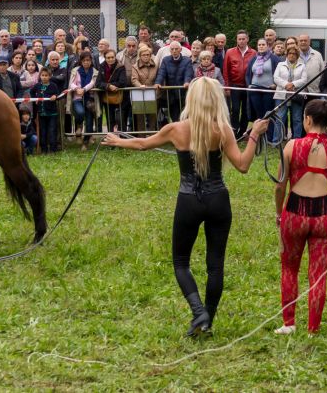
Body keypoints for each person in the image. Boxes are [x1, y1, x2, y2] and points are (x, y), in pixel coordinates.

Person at [103, 77, 269, 336]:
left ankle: (198, 313)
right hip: (218, 199)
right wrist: (255, 136)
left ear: (191, 99)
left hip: (189, 200)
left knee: (181, 261)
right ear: (216, 100)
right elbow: (243, 165)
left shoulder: (176, 129)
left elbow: (142, 144)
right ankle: (207, 319)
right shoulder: (223, 130)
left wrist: (116, 141)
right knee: (215, 265)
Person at [274, 99, 327, 335]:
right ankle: (313, 327)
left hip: (295, 213)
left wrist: (278, 213)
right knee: (318, 275)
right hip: (326, 214)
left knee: (289, 268)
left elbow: (279, 187)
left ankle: (289, 323)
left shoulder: (291, 146)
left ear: (307, 120)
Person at [223, 30, 256, 138]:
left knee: (246, 110)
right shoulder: (230, 52)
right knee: (235, 109)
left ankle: (242, 132)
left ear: (247, 39)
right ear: (236, 40)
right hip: (235, 86)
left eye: (243, 39)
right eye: (239, 39)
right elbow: (226, 70)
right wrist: (227, 86)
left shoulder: (253, 53)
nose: (241, 41)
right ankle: (234, 131)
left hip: (248, 86)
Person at [246, 38, 280, 142]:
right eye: (259, 45)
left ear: (268, 46)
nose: (261, 46)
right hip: (255, 89)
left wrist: (275, 84)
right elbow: (248, 74)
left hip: (268, 90)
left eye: (263, 44)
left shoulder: (274, 59)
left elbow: (279, 72)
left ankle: (269, 137)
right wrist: (249, 85)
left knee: (268, 114)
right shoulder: (254, 59)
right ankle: (260, 136)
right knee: (259, 114)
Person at [68, 51, 100, 151]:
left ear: (91, 61)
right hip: (77, 98)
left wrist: (84, 89)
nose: (86, 62)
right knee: (80, 113)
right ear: (81, 61)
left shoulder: (94, 71)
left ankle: (85, 143)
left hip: (89, 99)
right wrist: (77, 89)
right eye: (84, 60)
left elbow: (93, 82)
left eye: (88, 60)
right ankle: (78, 124)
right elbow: (71, 83)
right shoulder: (75, 70)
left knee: (89, 122)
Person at [155, 41, 193, 125]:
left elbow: (188, 73)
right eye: (172, 49)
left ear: (180, 50)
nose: (174, 51)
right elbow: (161, 72)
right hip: (171, 94)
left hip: (183, 93)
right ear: (170, 50)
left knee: (184, 116)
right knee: (174, 116)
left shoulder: (187, 60)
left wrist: (187, 82)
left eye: (176, 49)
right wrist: (158, 82)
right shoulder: (166, 60)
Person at [273, 47, 307, 141]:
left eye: (294, 54)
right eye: (289, 53)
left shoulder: (302, 66)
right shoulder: (280, 64)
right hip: (281, 95)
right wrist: (285, 84)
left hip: (296, 95)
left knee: (297, 119)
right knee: (279, 118)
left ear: (297, 55)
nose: (291, 55)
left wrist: (293, 84)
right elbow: (276, 77)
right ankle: (276, 140)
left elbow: (304, 80)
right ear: (286, 55)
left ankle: (297, 140)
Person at [96, 49, 127, 132]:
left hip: (119, 97)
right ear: (105, 58)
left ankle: (123, 138)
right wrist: (108, 86)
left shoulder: (120, 66)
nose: (110, 59)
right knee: (110, 119)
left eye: (112, 57)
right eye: (108, 58)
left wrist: (113, 85)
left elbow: (123, 82)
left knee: (119, 118)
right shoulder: (102, 66)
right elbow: (98, 83)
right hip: (107, 97)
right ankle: (111, 138)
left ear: (115, 57)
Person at [132, 44, 159, 132]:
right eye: (144, 55)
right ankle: (142, 137)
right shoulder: (135, 66)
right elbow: (134, 79)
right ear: (140, 56)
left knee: (152, 115)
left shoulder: (155, 65)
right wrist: (139, 85)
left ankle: (152, 135)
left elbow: (159, 76)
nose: (146, 57)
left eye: (148, 55)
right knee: (140, 117)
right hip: (140, 93)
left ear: (150, 55)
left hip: (152, 93)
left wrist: (157, 84)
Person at [33, 68, 60, 153]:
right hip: (41, 113)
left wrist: (55, 96)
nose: (44, 77)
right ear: (40, 76)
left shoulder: (53, 85)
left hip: (52, 113)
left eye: (46, 75)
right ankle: (44, 149)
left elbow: (57, 94)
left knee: (52, 131)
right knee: (42, 131)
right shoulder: (37, 85)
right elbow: (31, 92)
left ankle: (53, 149)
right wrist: (35, 99)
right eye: (42, 75)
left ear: (50, 76)